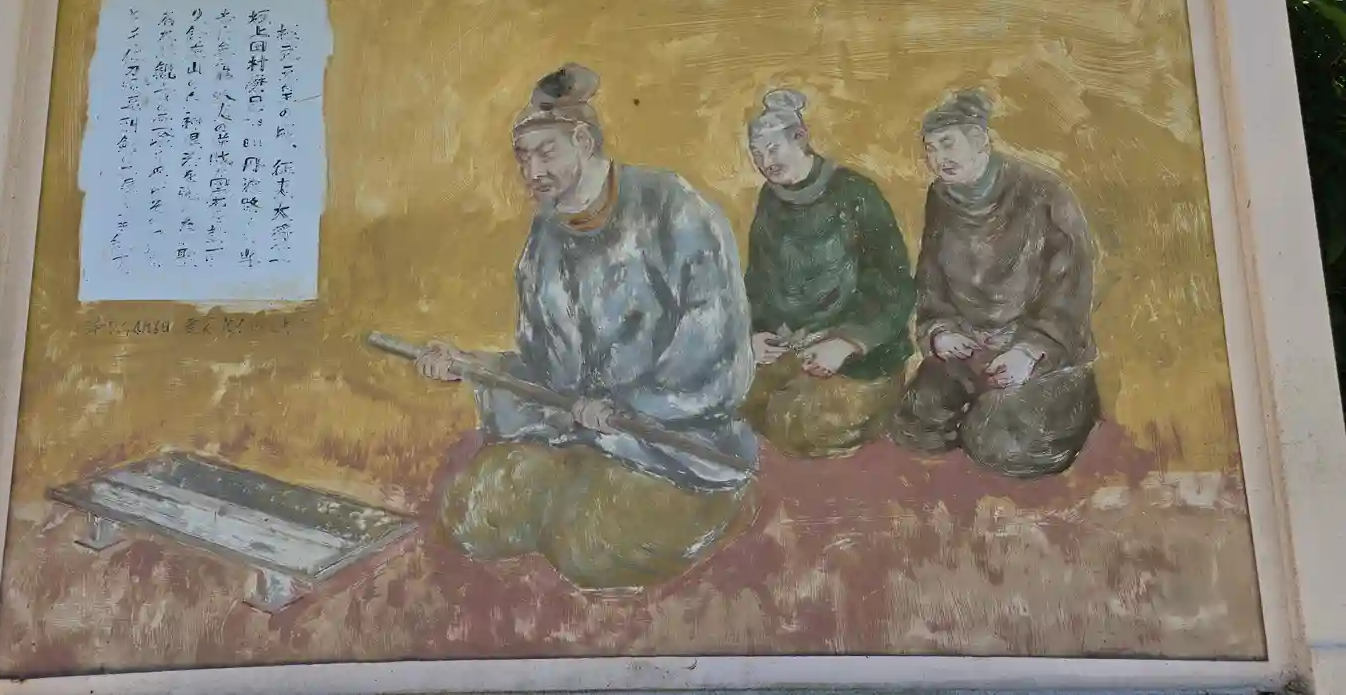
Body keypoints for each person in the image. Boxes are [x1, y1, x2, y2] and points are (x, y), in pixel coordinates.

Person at [415, 64, 757, 590]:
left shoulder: (674, 209)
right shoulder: (546, 235)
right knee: (474, 514)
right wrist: (471, 366)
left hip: (674, 446)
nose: (532, 171)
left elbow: (716, 352)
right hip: (577, 435)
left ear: (583, 140)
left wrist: (626, 409)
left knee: (588, 544)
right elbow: (543, 370)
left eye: (545, 152)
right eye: (522, 156)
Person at [891, 89, 1100, 478]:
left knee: (999, 444)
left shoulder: (1043, 193)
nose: (938, 158)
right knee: (915, 424)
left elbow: (1070, 288)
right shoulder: (941, 196)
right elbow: (931, 277)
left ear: (980, 141)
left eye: (948, 143)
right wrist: (940, 331)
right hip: (971, 352)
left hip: (1041, 359)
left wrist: (1029, 351)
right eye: (930, 149)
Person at [740, 89, 916, 458]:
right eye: (757, 153)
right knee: (730, 397)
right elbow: (757, 282)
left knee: (796, 424)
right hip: (793, 351)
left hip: (860, 359)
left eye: (772, 149)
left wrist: (847, 342)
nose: (765, 162)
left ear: (800, 137)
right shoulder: (770, 201)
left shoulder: (855, 193)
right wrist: (754, 335)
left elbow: (895, 285)